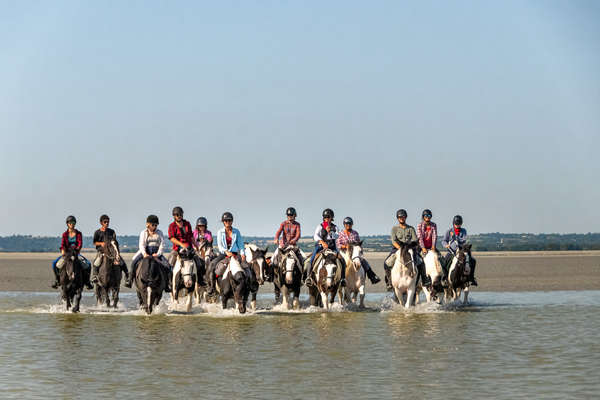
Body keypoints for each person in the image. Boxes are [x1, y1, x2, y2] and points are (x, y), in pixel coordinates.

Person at [383, 209, 431, 291]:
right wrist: (401, 249)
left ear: (406, 217)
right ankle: (389, 282)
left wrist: (410, 247)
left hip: (409, 249)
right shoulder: (394, 229)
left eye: (403, 217)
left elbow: (415, 239)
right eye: (400, 217)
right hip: (397, 249)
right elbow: (394, 241)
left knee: (421, 262)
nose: (402, 218)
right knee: (387, 263)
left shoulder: (411, 228)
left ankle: (424, 279)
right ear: (398, 218)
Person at [124, 215, 172, 290]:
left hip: (156, 252)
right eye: (153, 225)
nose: (154, 227)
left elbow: (162, 245)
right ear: (148, 224)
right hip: (146, 251)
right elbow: (141, 245)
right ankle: (130, 280)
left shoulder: (160, 233)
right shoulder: (143, 233)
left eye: (156, 225)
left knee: (167, 266)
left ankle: (167, 284)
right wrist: (144, 254)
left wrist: (158, 254)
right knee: (134, 262)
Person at [206, 212, 247, 295]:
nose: (228, 222)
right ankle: (212, 287)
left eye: (229, 220)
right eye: (226, 221)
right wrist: (226, 252)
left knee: (247, 267)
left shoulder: (236, 231)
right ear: (223, 222)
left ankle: (249, 286)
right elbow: (220, 245)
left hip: (235, 254)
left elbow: (241, 244)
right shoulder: (220, 232)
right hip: (224, 254)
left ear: (232, 221)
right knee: (212, 265)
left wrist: (242, 254)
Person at [303, 208, 346, 287]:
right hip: (321, 247)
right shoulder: (320, 226)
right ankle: (308, 277)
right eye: (326, 217)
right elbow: (316, 235)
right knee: (311, 259)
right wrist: (322, 242)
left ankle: (343, 279)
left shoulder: (335, 227)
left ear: (331, 218)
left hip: (332, 247)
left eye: (329, 217)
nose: (327, 219)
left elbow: (337, 236)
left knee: (342, 260)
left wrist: (330, 232)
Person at [50, 215, 92, 289]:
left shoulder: (79, 234)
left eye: (73, 222)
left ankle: (87, 281)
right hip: (67, 254)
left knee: (88, 264)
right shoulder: (65, 234)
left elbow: (80, 244)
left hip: (76, 253)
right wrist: (63, 250)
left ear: (75, 223)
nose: (71, 224)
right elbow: (63, 244)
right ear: (67, 224)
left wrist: (77, 250)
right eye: (70, 223)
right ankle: (57, 280)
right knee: (54, 263)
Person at [336, 217, 381, 284]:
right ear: (344, 224)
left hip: (353, 253)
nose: (348, 225)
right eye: (346, 224)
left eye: (349, 224)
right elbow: (338, 244)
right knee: (339, 263)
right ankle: (339, 278)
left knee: (363, 261)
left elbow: (358, 243)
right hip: (344, 252)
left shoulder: (355, 233)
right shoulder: (340, 233)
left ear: (352, 224)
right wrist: (345, 246)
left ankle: (372, 276)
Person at [91, 214, 129, 284]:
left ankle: (127, 275)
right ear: (101, 223)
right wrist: (101, 243)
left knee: (121, 261)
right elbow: (94, 242)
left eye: (108, 222)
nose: (107, 223)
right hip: (101, 251)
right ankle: (94, 276)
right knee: (97, 262)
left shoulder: (111, 231)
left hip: (111, 252)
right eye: (105, 222)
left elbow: (114, 241)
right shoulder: (97, 232)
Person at [442, 215, 477, 286]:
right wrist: (446, 245)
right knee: (444, 262)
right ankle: (445, 278)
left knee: (473, 261)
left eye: (459, 224)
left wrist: (455, 237)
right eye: (456, 224)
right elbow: (444, 241)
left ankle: (471, 278)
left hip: (461, 251)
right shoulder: (449, 231)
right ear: (453, 223)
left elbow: (463, 240)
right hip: (451, 252)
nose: (457, 225)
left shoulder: (463, 231)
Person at [417, 209, 447, 287]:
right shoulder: (420, 225)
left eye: (429, 216)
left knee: (442, 260)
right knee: (418, 262)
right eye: (426, 216)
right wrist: (423, 248)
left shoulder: (434, 225)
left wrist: (433, 246)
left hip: (431, 247)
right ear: (423, 217)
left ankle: (445, 279)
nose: (427, 217)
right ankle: (418, 280)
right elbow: (420, 237)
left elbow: (434, 236)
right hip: (421, 247)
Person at [272, 207, 304, 274]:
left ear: (294, 215)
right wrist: (276, 238)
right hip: (283, 245)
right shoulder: (283, 223)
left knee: (304, 258)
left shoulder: (297, 225)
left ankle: (302, 275)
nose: (289, 217)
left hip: (293, 246)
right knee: (273, 258)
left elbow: (298, 235)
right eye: (288, 215)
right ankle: (271, 275)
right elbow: (278, 232)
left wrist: (294, 240)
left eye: (291, 215)